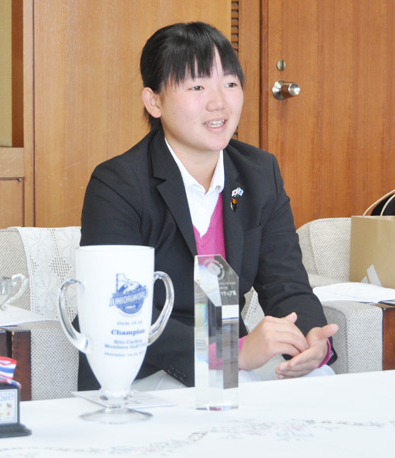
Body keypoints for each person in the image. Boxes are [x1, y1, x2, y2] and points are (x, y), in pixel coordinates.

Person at [78, 21, 338, 390]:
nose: (219, 102)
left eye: (230, 83)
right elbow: (120, 311)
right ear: (154, 102)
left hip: (233, 365)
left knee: (320, 381)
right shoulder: (118, 183)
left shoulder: (259, 173)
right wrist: (229, 352)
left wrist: (313, 340)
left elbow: (286, 284)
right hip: (142, 367)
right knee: (231, 395)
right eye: (197, 87)